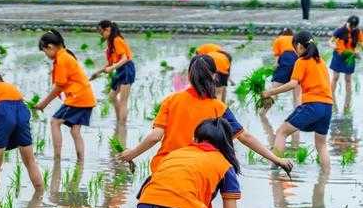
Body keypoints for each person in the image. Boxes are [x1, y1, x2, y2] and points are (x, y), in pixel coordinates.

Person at [118, 54, 292, 174]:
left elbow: (155, 137)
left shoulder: (172, 100)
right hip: (200, 170)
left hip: (166, 166)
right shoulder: (219, 107)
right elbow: (245, 137)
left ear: (189, 75)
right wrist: (277, 159)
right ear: (215, 76)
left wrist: (131, 154)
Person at [263, 31, 335, 165]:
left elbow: (292, 84)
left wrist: (270, 93)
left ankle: (275, 169)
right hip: (327, 107)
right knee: (321, 145)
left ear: (300, 46)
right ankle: (325, 178)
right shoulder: (321, 62)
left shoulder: (301, 61)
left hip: (313, 105)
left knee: (281, 133)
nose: (295, 51)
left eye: (294, 47)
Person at [33, 30, 95, 161]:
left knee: (55, 122)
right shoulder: (65, 56)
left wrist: (43, 103)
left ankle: (57, 158)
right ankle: (81, 161)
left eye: (45, 51)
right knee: (75, 130)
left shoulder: (62, 58)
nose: (46, 55)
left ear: (50, 46)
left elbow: (59, 86)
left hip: (78, 98)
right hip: (87, 98)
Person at [92, 20, 134, 128]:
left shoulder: (116, 40)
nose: (102, 36)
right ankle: (119, 120)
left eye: (102, 33)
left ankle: (122, 125)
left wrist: (112, 68)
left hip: (127, 69)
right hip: (120, 69)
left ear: (108, 29)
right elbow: (110, 63)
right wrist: (98, 72)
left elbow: (124, 59)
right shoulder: (110, 43)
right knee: (112, 96)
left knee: (123, 100)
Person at [329, 15, 359, 108]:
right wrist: (332, 45)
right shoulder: (340, 31)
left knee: (348, 79)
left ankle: (347, 102)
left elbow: (361, 44)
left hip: (349, 56)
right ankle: (330, 97)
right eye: (351, 26)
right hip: (339, 55)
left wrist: (357, 51)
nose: (352, 28)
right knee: (335, 77)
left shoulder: (357, 32)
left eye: (354, 26)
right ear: (348, 23)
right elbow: (330, 41)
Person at [268, 27, 297, 104]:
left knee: (274, 88)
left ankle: (263, 113)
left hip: (286, 58)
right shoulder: (296, 38)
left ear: (281, 34)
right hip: (297, 60)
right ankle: (297, 110)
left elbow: (277, 58)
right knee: (297, 91)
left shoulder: (278, 39)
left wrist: (275, 66)